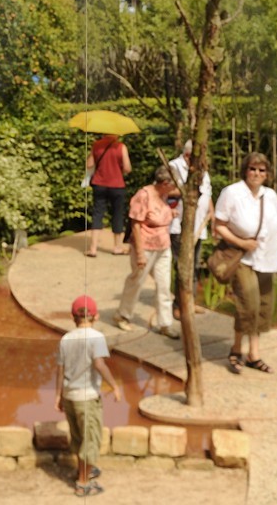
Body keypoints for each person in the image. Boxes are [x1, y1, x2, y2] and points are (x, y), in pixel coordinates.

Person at [212, 151, 277, 374]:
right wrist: (241, 242)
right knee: (248, 305)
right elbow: (219, 225)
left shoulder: (270, 195)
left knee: (263, 307)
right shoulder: (232, 193)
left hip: (267, 259)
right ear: (245, 170)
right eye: (253, 169)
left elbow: (276, 223)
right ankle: (236, 348)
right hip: (242, 258)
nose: (257, 173)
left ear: (267, 174)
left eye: (262, 170)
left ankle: (254, 353)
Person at [57, 295, 122, 497]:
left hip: (70, 396)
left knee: (78, 438)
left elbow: (60, 369)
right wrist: (114, 385)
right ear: (96, 316)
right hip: (87, 398)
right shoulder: (96, 337)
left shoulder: (66, 339)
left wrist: (58, 396)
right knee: (91, 440)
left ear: (72, 317)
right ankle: (83, 483)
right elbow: (99, 364)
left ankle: (83, 471)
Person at [114, 165, 180, 338]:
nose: (175, 188)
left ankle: (165, 323)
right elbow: (135, 224)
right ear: (165, 183)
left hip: (163, 245)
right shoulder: (144, 195)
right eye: (173, 184)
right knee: (137, 280)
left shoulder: (164, 194)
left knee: (164, 285)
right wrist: (140, 253)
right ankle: (123, 315)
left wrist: (170, 212)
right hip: (145, 245)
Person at [168, 143, 212, 318]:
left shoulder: (203, 170)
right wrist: (189, 188)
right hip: (179, 226)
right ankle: (179, 305)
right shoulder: (174, 166)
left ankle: (190, 302)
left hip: (199, 226)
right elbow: (167, 190)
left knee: (194, 266)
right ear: (188, 155)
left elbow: (207, 193)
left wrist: (211, 212)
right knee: (182, 267)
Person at [84, 133, 132, 257]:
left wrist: (93, 154)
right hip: (117, 185)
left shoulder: (96, 145)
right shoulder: (121, 147)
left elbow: (89, 165)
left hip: (99, 184)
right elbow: (127, 168)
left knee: (97, 214)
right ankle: (117, 247)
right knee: (117, 214)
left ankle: (93, 249)